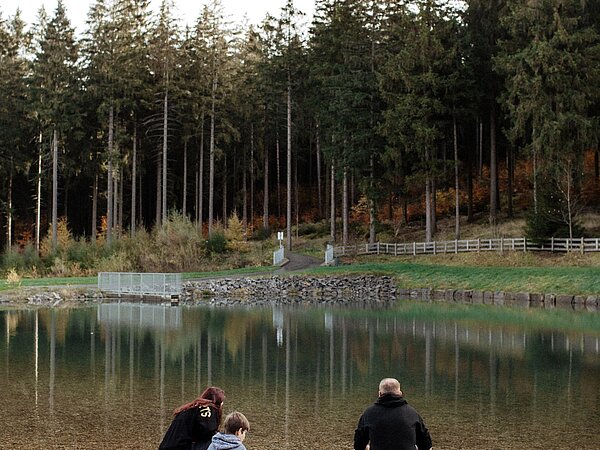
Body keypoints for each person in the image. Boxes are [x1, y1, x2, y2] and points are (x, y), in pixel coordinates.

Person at [354, 378, 432, 450]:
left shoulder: (369, 413)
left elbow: (358, 445)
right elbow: (426, 445)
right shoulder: (412, 413)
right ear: (400, 393)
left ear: (380, 394)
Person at [159, 386, 226, 450]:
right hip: (180, 447)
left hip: (167, 446)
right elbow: (209, 430)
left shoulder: (191, 408)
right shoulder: (207, 408)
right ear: (216, 401)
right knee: (218, 441)